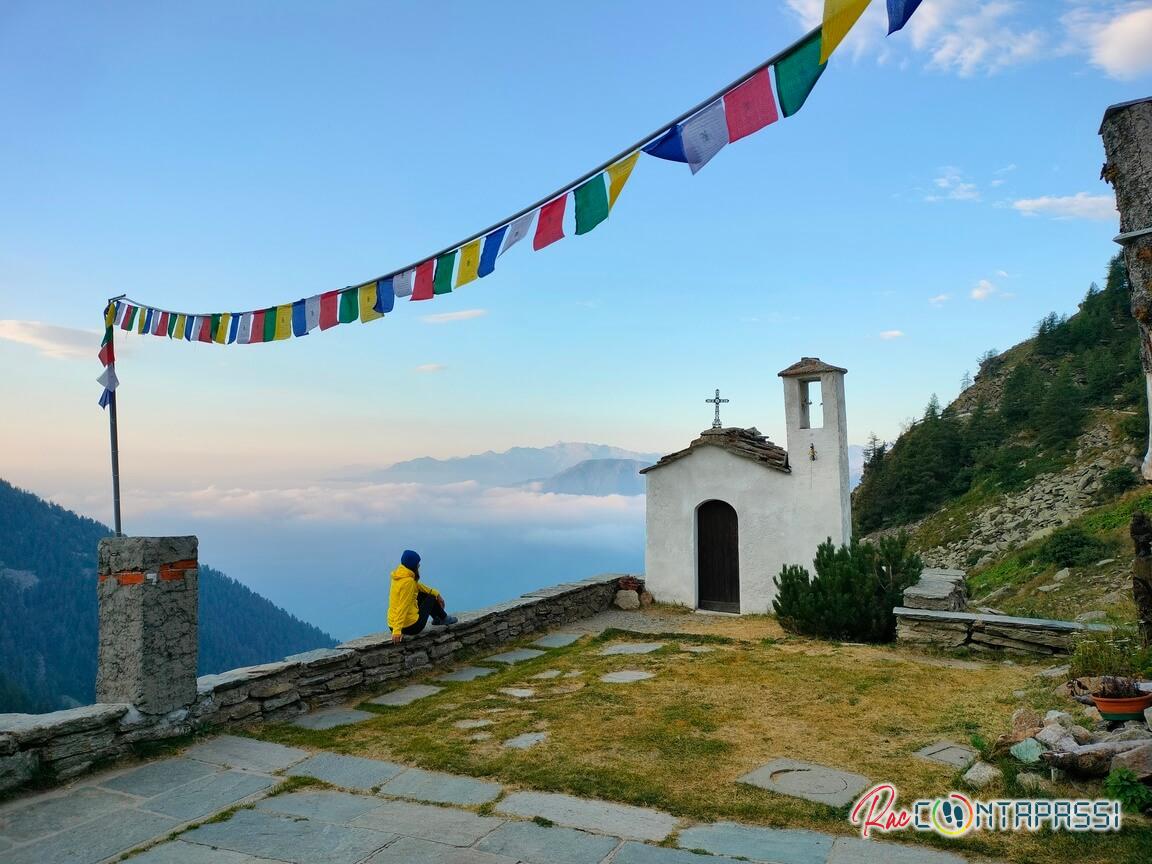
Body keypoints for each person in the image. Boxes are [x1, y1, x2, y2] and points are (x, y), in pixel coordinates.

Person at [389, 549, 457, 643]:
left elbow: (417, 586)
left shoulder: (399, 576)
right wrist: (397, 630)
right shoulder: (408, 582)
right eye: (417, 564)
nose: (419, 565)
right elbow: (403, 606)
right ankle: (443, 618)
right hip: (410, 627)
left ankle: (438, 619)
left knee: (424, 594)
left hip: (392, 624)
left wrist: (436, 593)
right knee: (431, 598)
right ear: (413, 566)